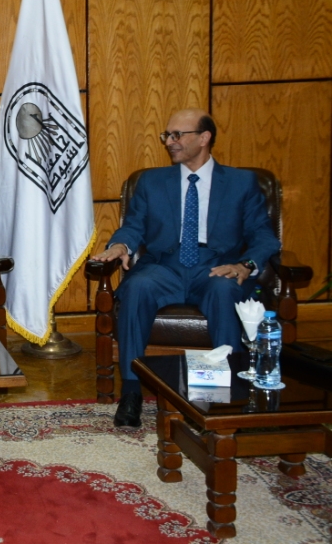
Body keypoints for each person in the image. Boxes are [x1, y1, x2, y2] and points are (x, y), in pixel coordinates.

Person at [91, 109, 280, 428]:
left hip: (216, 266)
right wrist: (120, 246)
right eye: (167, 135)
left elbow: (263, 236)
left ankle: (224, 396)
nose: (169, 141)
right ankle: (131, 391)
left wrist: (245, 265)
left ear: (204, 138)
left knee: (224, 289)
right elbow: (134, 226)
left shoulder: (241, 183)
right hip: (165, 266)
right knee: (137, 287)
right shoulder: (152, 182)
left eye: (178, 135)